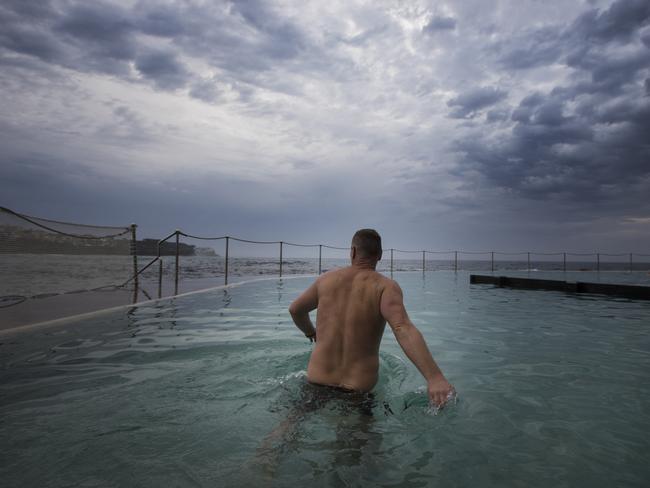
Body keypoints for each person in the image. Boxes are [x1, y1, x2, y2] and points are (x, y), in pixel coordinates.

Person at [289, 228, 455, 409]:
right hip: (357, 393)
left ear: (352, 251)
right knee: (355, 436)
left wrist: (310, 332)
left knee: (289, 428)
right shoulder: (385, 287)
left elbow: (295, 310)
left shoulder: (325, 280)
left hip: (316, 382)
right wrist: (435, 378)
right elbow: (402, 328)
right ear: (380, 255)